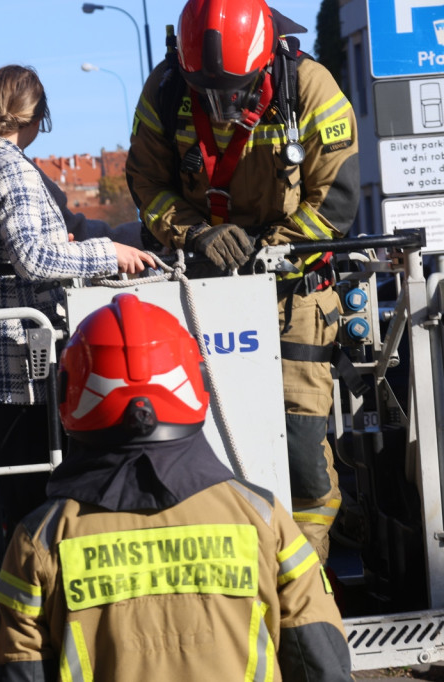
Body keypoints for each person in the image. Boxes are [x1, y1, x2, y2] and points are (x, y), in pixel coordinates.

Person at [0, 293, 352, 681]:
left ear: (70, 393)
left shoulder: (39, 541)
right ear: (195, 383)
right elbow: (319, 660)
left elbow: (15, 672)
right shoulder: (263, 518)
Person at [125, 0, 360, 562]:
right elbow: (146, 181)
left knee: (302, 452)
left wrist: (269, 252)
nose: (221, 103)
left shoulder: (310, 85)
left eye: (233, 89)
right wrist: (195, 234)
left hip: (293, 293)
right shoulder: (164, 90)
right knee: (187, 443)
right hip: (198, 293)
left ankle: (307, 588)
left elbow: (337, 198)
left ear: (264, 59)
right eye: (205, 89)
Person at [0, 65, 156, 561]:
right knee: (40, 505)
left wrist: (55, 245)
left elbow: (11, 253)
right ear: (38, 116)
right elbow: (33, 259)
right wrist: (109, 253)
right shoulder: (14, 170)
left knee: (12, 502)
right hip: (25, 365)